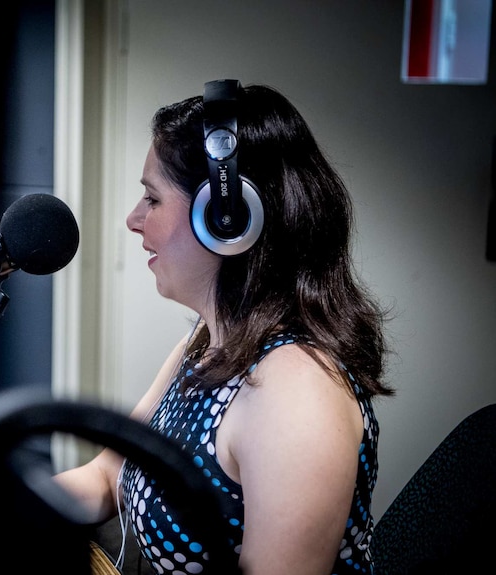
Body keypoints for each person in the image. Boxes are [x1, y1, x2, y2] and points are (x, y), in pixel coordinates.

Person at [54, 79, 393, 575]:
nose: (133, 219)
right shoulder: (210, 341)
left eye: (151, 198)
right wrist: (5, 504)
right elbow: (109, 474)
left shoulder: (297, 391)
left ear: (225, 219)